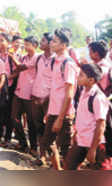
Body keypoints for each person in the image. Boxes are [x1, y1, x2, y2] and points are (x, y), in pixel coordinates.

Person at [41, 28, 79, 170]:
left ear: (64, 45)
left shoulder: (68, 64)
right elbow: (55, 91)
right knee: (47, 143)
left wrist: (60, 118)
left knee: (67, 151)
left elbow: (69, 94)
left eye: (55, 41)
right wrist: (50, 112)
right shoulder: (55, 61)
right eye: (52, 40)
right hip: (54, 111)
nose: (51, 43)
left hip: (64, 114)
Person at [64, 64, 109, 170]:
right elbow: (83, 117)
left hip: (95, 143)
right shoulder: (84, 92)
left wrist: (93, 149)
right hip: (81, 140)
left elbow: (101, 125)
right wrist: (76, 133)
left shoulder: (98, 97)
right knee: (69, 167)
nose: (77, 77)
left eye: (81, 75)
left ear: (91, 80)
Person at [9, 36, 39, 156]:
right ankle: (23, 142)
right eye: (24, 45)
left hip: (30, 93)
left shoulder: (37, 58)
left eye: (28, 45)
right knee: (14, 118)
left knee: (31, 121)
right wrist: (7, 77)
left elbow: (21, 67)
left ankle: (33, 146)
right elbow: (17, 71)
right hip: (19, 91)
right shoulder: (24, 57)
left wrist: (12, 58)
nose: (25, 47)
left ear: (34, 45)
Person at [31, 33, 54, 166]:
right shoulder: (39, 58)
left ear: (51, 43)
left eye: (43, 40)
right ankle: (42, 155)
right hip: (36, 97)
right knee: (38, 127)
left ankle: (53, 157)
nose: (40, 42)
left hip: (49, 101)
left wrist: (46, 98)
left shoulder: (56, 60)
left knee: (49, 130)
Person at [0, 32, 15, 148]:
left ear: (8, 43)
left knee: (9, 113)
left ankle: (7, 138)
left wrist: (8, 77)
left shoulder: (11, 55)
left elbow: (18, 70)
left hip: (9, 87)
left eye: (2, 40)